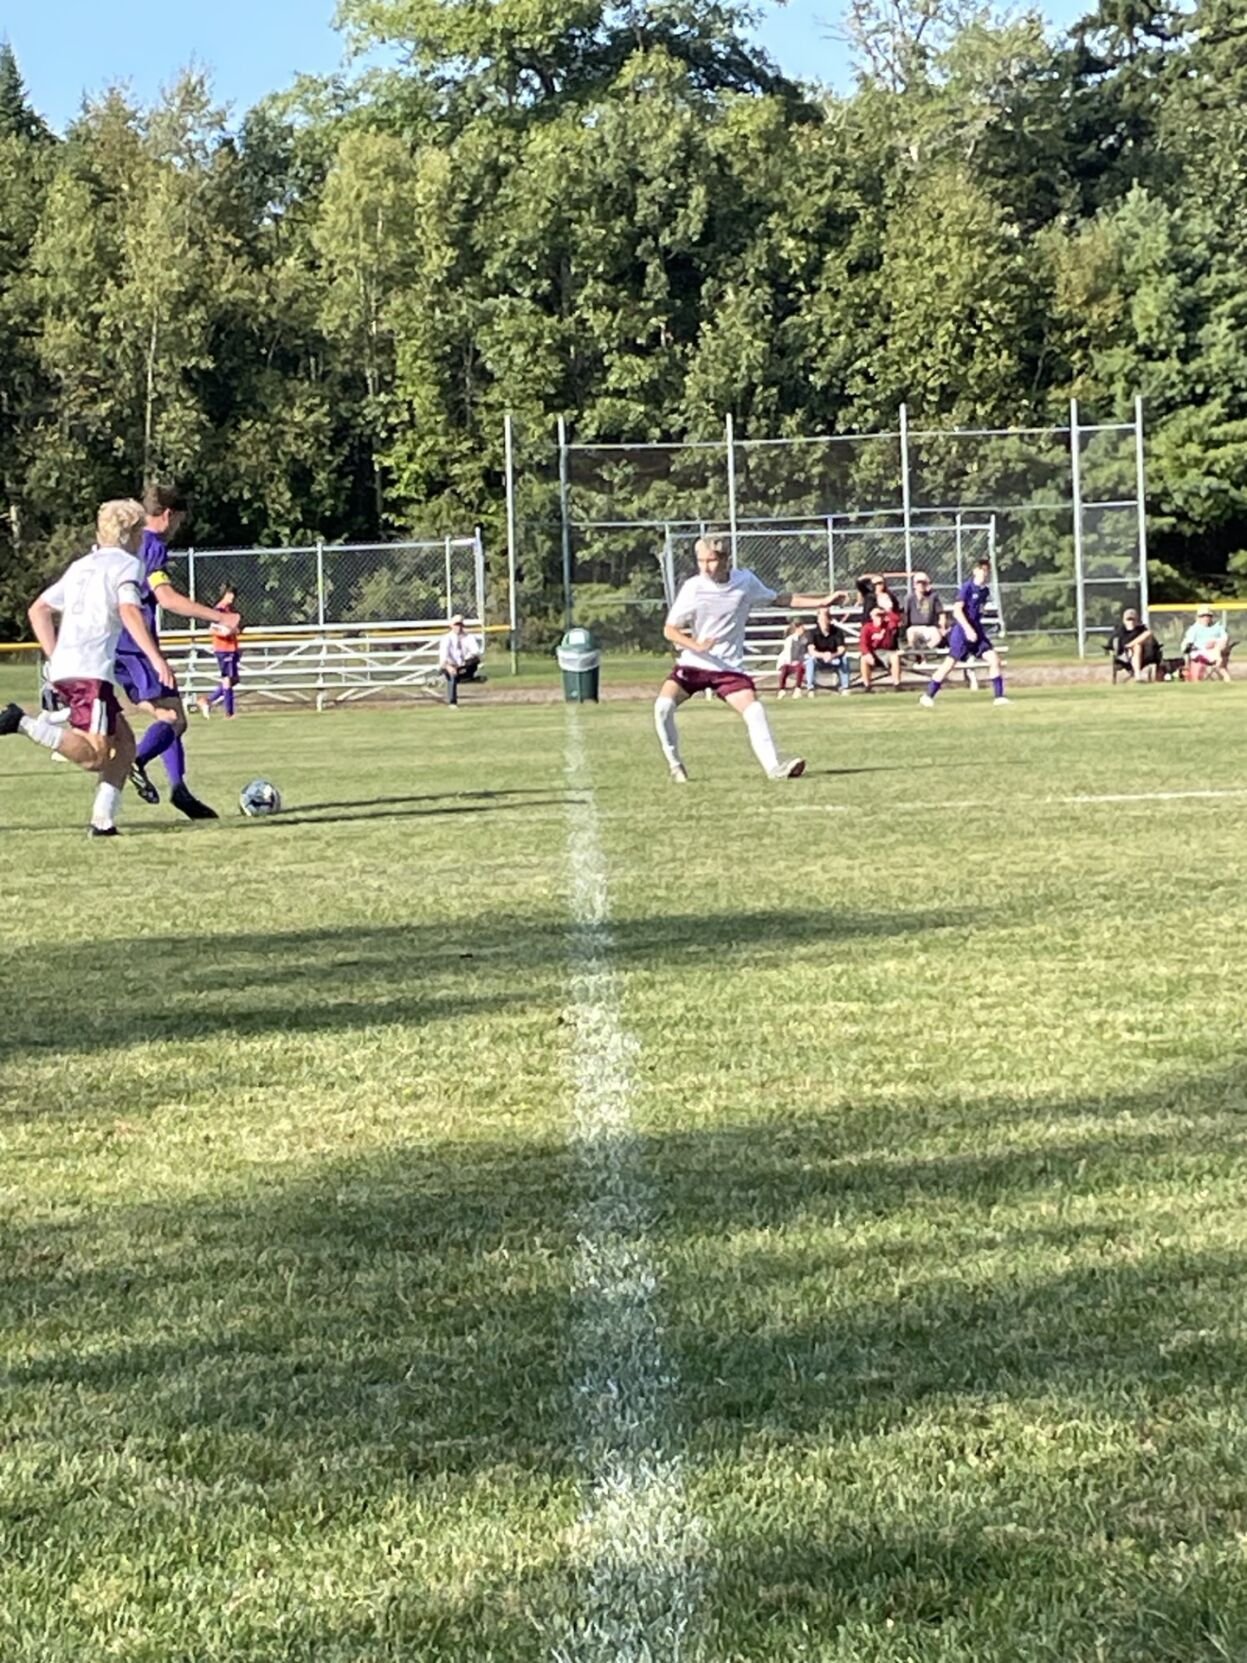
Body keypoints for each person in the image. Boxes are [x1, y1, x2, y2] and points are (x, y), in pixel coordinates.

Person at [0, 499, 172, 836]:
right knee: (95, 756)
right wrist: (156, 659)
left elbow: (38, 610)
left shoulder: (82, 565)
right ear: (133, 534)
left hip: (74, 667)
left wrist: (55, 657)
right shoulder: (127, 565)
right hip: (89, 671)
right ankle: (20, 722)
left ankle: (103, 821)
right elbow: (129, 611)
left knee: (124, 745)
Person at [654, 536, 841, 783]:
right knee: (663, 707)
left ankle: (775, 769)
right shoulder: (693, 587)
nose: (705, 567)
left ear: (725, 560)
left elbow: (781, 599)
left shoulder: (745, 581)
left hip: (728, 668)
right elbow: (670, 630)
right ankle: (675, 765)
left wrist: (822, 602)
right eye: (700, 561)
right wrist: (696, 645)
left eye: (710, 561)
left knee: (754, 710)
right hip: (694, 664)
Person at [118, 484, 241, 818]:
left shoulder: (124, 540)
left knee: (170, 714)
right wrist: (221, 617)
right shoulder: (152, 545)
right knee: (173, 718)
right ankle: (135, 763)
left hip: (114, 641)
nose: (177, 529)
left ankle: (180, 790)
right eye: (179, 522)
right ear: (169, 515)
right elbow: (167, 599)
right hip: (135, 642)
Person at [919, 558, 1009, 706]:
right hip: (961, 632)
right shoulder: (967, 588)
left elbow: (979, 610)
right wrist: (968, 629)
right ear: (975, 571)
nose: (985, 574)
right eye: (982, 570)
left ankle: (999, 697)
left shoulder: (985, 591)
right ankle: (928, 695)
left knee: (994, 659)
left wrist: (977, 626)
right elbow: (957, 611)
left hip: (976, 631)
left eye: (987, 571)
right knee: (949, 664)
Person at [197, 584, 242, 718]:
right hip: (223, 649)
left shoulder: (229, 609)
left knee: (234, 679)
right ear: (224, 595)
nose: (232, 598)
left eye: (233, 595)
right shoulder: (219, 609)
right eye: (230, 595)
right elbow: (212, 628)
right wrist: (225, 632)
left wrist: (234, 632)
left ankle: (207, 701)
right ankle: (229, 713)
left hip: (231, 648)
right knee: (227, 679)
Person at [437, 614, 484, 706]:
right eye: (456, 624)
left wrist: (466, 661)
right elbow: (443, 658)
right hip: (450, 666)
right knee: (452, 674)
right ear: (451, 625)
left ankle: (463, 674)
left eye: (460, 624)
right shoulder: (446, 639)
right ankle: (453, 702)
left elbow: (476, 652)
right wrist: (449, 667)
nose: (458, 627)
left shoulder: (469, 637)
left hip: (464, 666)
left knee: (475, 660)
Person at [805, 603, 851, 694]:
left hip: (834, 658)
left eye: (826, 618)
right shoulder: (812, 633)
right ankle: (810, 688)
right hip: (819, 659)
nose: (823, 621)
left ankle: (845, 687)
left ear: (829, 620)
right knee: (810, 660)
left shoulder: (837, 632)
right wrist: (823, 655)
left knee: (845, 659)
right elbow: (811, 650)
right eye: (821, 619)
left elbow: (841, 649)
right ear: (818, 620)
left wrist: (832, 655)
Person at [1107, 608, 1161, 682]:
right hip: (1125, 655)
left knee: (1147, 635)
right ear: (1124, 620)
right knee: (1137, 646)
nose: (1131, 622)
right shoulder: (1119, 631)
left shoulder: (1142, 629)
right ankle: (1138, 675)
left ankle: (1131, 645)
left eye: (1133, 619)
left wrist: (1132, 645)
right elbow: (1111, 646)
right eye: (1128, 619)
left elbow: (1154, 643)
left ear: (1137, 620)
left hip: (1144, 655)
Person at [1180, 604, 1232, 681]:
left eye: (1208, 616)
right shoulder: (1194, 629)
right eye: (1203, 616)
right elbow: (1188, 644)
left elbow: (1225, 638)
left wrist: (1214, 642)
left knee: (1219, 647)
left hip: (1217, 651)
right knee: (1203, 659)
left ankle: (1227, 680)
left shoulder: (1218, 627)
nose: (1205, 618)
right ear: (1198, 617)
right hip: (1199, 652)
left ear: (1211, 617)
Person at [858, 604, 902, 691]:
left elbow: (897, 619)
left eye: (881, 616)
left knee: (895, 657)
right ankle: (867, 686)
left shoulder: (888, 625)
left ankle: (897, 685)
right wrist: (867, 654)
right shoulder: (867, 627)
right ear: (872, 617)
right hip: (873, 652)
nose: (879, 618)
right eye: (877, 616)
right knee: (863, 659)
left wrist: (886, 611)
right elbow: (863, 643)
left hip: (887, 652)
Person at [903, 572, 944, 652]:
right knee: (911, 634)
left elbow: (941, 613)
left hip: (929, 627)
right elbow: (905, 614)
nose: (921, 585)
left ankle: (925, 650)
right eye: (918, 583)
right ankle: (915, 656)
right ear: (914, 585)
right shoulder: (909, 598)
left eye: (924, 583)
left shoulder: (933, 597)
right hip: (914, 626)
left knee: (937, 637)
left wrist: (942, 627)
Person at [775, 619, 811, 698]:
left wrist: (801, 661)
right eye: (801, 628)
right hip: (790, 662)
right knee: (784, 669)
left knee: (799, 668)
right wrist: (789, 662)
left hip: (800, 662)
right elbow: (787, 652)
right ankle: (781, 690)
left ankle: (797, 689)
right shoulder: (789, 640)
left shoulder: (805, 639)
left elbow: (806, 652)